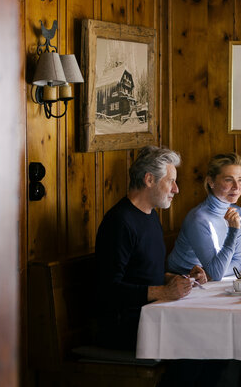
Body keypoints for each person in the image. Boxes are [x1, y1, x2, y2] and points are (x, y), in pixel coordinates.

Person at [95, 146, 207, 351]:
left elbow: (144, 273)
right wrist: (164, 292)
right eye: (170, 181)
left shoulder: (150, 215)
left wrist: (179, 278)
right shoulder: (119, 222)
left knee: (213, 339)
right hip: (127, 326)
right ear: (149, 180)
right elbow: (109, 290)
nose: (176, 189)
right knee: (206, 345)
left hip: (154, 314)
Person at [167, 152, 241, 281]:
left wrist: (209, 274)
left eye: (240, 179)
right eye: (228, 180)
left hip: (206, 280)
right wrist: (232, 232)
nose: (237, 187)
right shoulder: (198, 219)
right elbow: (216, 273)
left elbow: (238, 262)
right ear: (211, 182)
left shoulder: (238, 212)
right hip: (180, 280)